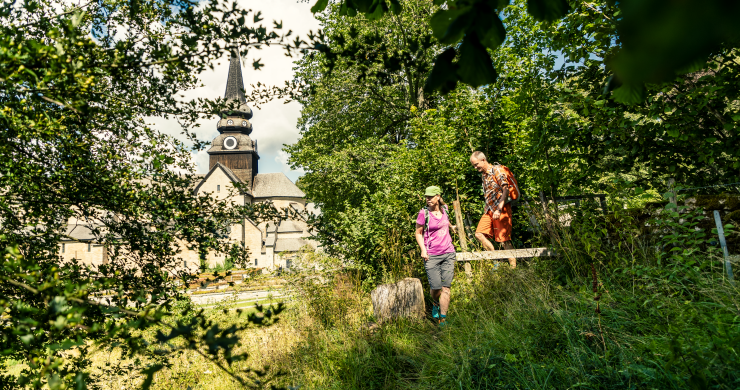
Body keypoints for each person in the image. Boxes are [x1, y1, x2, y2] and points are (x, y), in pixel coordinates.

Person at [414, 186, 456, 326]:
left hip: (448, 253)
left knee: (446, 287)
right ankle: (435, 303)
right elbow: (418, 233)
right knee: (436, 287)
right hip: (431, 255)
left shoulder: (445, 210)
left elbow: (445, 221)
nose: (428, 199)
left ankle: (442, 319)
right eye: (426, 196)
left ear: (438, 196)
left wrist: (451, 227)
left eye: (431, 196)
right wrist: (423, 250)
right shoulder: (423, 213)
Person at [469, 151, 516, 268]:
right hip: (489, 209)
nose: (475, 167)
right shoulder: (484, 175)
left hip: (501, 209)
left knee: (504, 240)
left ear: (483, 160)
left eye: (476, 164)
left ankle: (513, 269)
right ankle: (496, 260)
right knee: (479, 234)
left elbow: (506, 190)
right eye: (473, 165)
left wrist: (499, 209)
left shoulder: (497, 170)